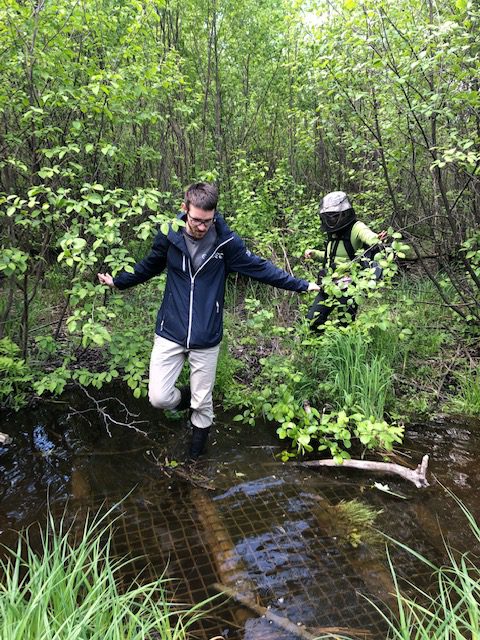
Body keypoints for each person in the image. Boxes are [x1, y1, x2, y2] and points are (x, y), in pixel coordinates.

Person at [98, 182, 319, 460]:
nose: (201, 227)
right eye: (196, 220)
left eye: (207, 221)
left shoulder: (226, 244)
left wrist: (302, 285)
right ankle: (188, 396)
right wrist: (119, 282)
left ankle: (194, 459)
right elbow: (149, 266)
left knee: (203, 405)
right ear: (184, 209)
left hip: (206, 335)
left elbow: (261, 269)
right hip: (170, 330)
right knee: (159, 397)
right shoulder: (169, 236)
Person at [304, 191, 386, 332]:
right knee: (313, 320)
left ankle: (345, 351)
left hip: (349, 286)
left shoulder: (356, 227)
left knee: (345, 326)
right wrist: (315, 254)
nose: (331, 220)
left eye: (335, 216)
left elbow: (367, 235)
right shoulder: (333, 234)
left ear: (344, 213)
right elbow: (332, 256)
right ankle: (318, 349)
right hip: (328, 283)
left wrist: (376, 238)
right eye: (328, 216)